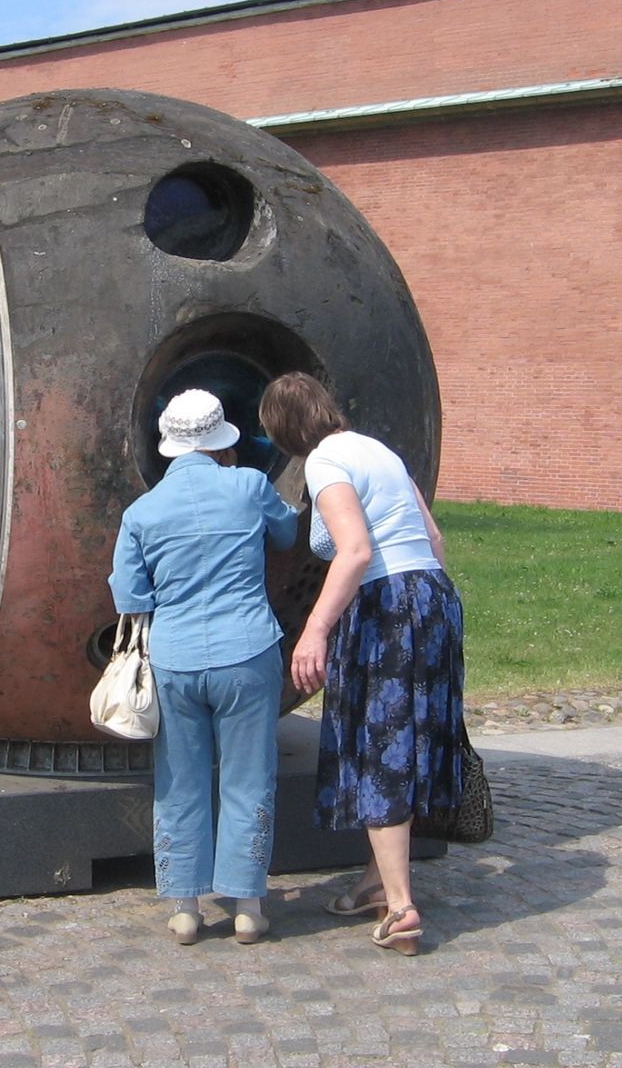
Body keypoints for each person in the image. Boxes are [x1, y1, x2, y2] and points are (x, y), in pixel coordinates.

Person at [257, 371, 465, 956]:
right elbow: (433, 536)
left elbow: (355, 550)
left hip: (386, 604)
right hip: (432, 594)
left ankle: (400, 907)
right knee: (415, 736)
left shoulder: (324, 462)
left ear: (283, 429)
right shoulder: (380, 451)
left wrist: (313, 632)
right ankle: (376, 883)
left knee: (383, 747)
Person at [109, 389, 299, 945]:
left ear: (168, 445)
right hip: (248, 650)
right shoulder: (248, 486)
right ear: (221, 440)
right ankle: (247, 905)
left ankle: (186, 906)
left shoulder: (141, 512)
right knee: (248, 778)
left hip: (176, 657)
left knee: (179, 782)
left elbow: (129, 595)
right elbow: (286, 534)